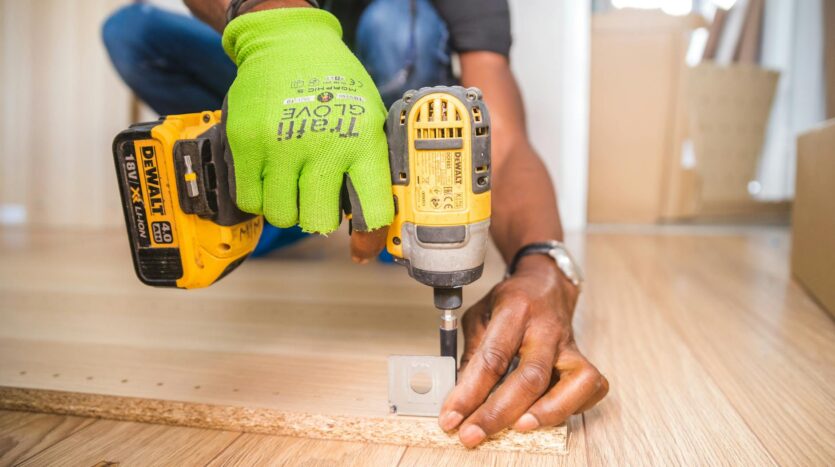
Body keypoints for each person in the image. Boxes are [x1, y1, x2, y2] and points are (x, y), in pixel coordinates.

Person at [102, 0, 608, 448]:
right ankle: (288, 195)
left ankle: (374, 199)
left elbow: (505, 139)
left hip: (389, 104)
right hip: (282, 84)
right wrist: (275, 26)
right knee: (134, 31)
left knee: (394, 22)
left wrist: (543, 265)